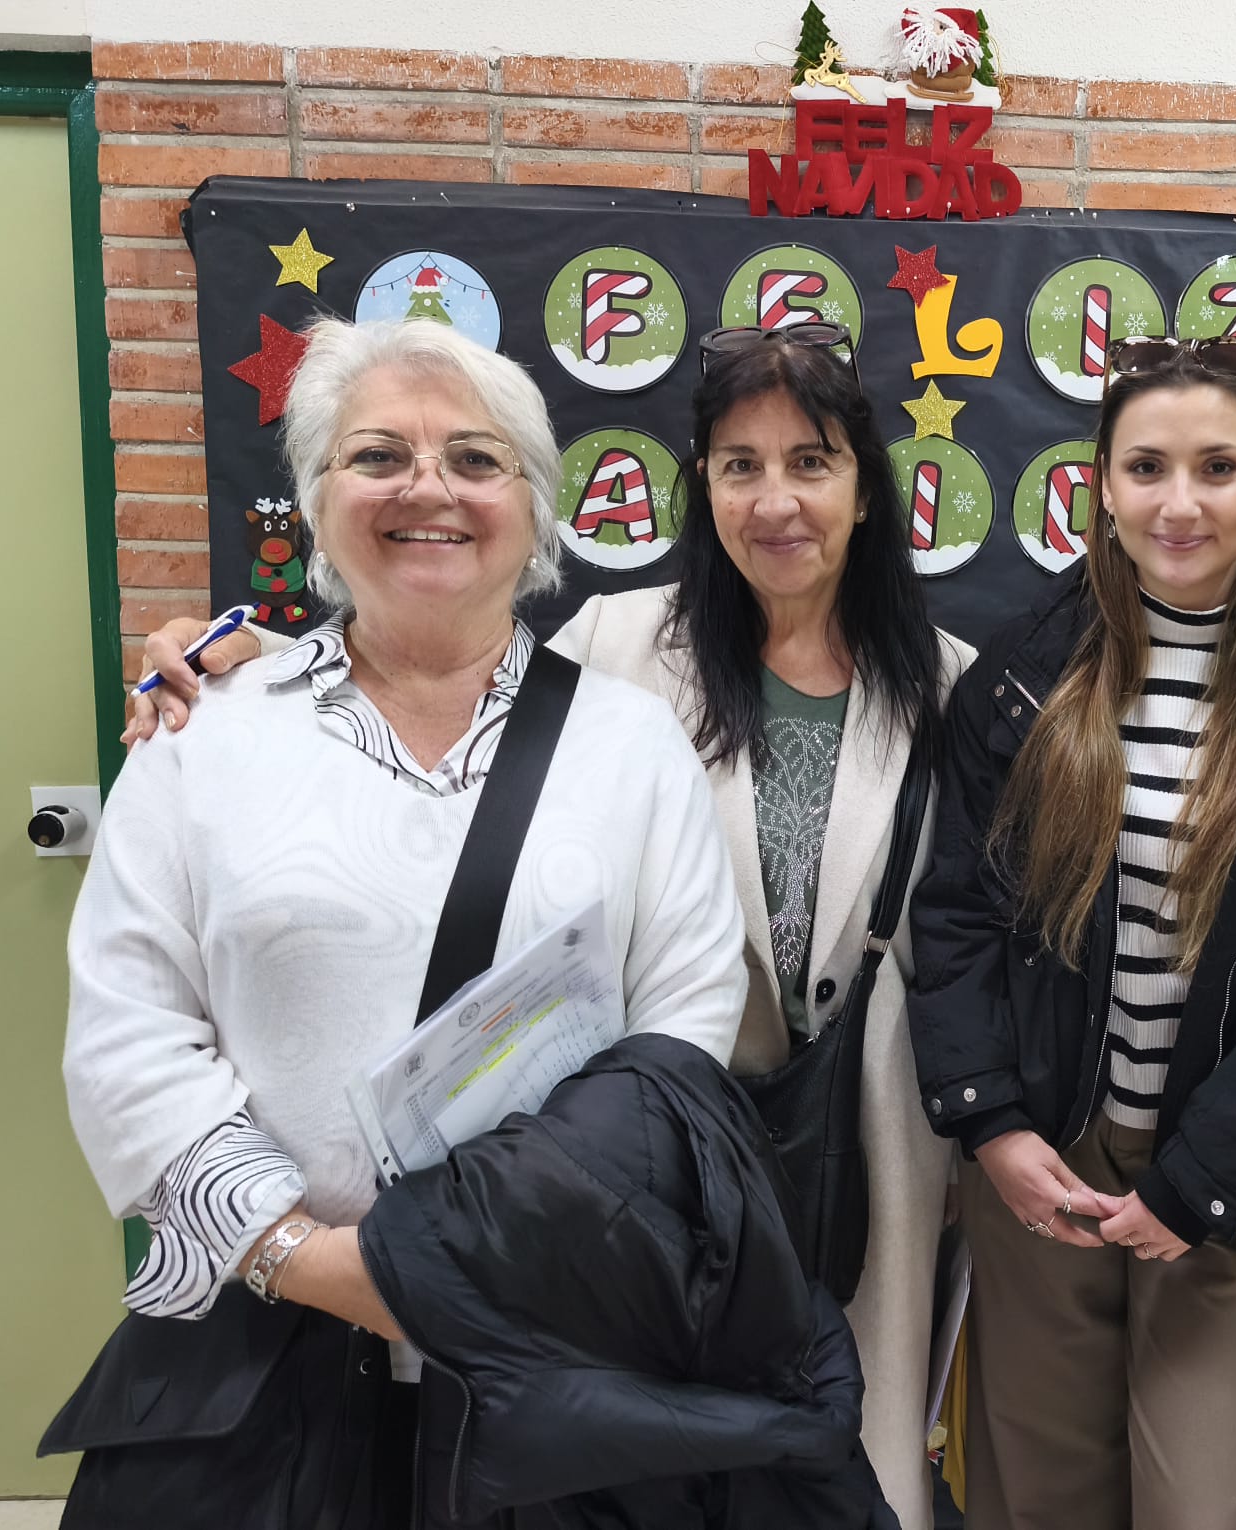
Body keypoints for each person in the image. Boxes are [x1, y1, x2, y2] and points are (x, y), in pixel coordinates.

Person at [123, 321, 967, 1530]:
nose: (775, 501)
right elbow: (439, 695)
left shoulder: (946, 683)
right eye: (740, 466)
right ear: (703, 487)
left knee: (830, 1446)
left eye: (812, 463)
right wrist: (264, 669)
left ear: (866, 489)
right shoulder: (618, 650)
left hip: (856, 1136)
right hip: (628, 1175)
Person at [60, 317, 751, 1524]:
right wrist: (309, 1259)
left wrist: (494, 1255)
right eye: (377, 455)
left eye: (476, 459)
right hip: (258, 1359)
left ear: (534, 508)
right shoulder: (206, 735)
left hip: (547, 1355)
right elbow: (130, 1036)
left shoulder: (632, 746)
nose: (428, 488)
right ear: (317, 501)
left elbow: (682, 1032)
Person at [907, 334, 1236, 1530]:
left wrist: (1206, 1183)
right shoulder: (1024, 680)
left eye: (1217, 468)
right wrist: (991, 1124)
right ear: (1102, 484)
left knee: (1198, 1504)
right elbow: (960, 913)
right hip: (1052, 1160)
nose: (1179, 504)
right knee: (1046, 1501)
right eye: (1146, 468)